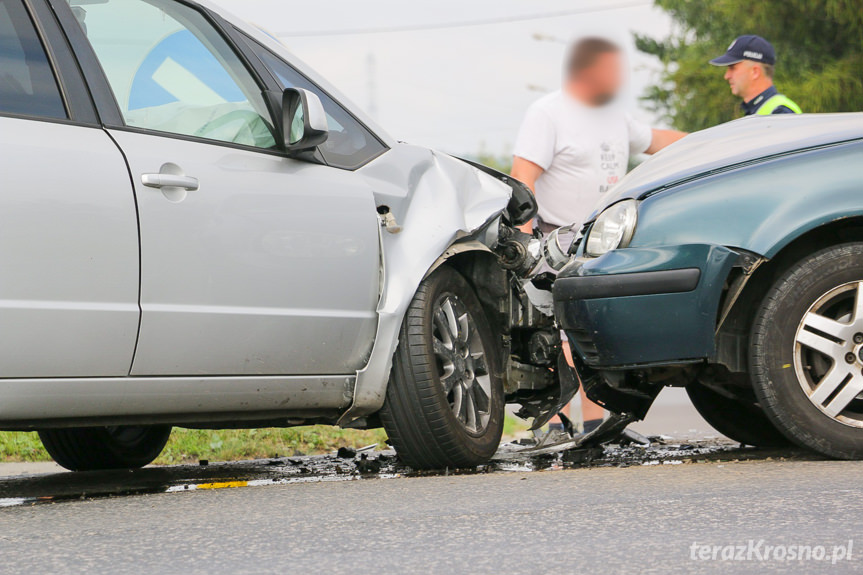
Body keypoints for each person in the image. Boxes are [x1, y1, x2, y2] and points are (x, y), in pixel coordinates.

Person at [511, 37, 686, 434]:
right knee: (559, 336)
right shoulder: (548, 113)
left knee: (594, 332)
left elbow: (656, 141)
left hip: (605, 244)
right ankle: (556, 424)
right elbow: (523, 177)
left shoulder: (613, 116)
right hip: (556, 244)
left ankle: (596, 422)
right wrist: (526, 246)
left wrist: (707, 144)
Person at [709, 35, 802, 116]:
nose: (726, 76)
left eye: (732, 68)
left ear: (755, 72)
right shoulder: (757, 111)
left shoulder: (780, 113)